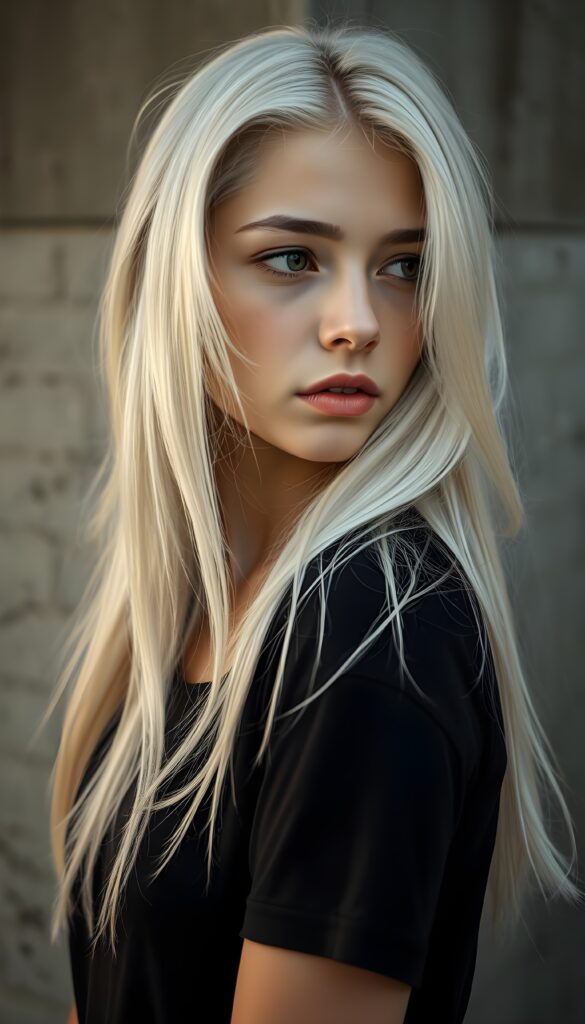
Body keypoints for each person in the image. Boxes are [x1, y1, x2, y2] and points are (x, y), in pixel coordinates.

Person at [40, 19, 583, 1024]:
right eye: (293, 258)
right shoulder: (196, 605)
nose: (359, 322)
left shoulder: (375, 635)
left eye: (405, 266)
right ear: (181, 279)